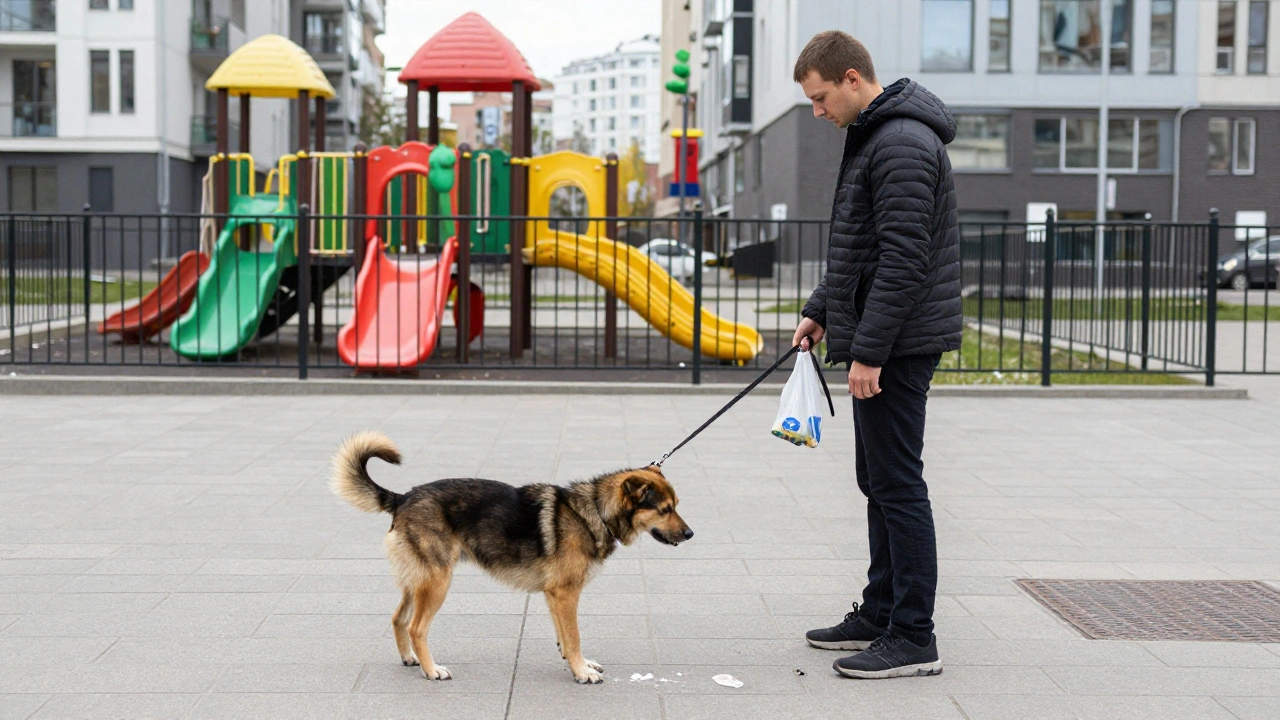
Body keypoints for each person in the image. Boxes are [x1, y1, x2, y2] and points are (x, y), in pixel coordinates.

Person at [789, 30, 961, 680]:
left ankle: (914, 635)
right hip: (889, 338)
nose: (818, 111)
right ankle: (882, 609)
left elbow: (903, 261)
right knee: (878, 481)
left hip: (901, 345)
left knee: (897, 485)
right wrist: (820, 309)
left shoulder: (902, 144)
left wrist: (869, 352)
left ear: (854, 79)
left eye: (821, 97)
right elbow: (858, 248)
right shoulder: (877, 138)